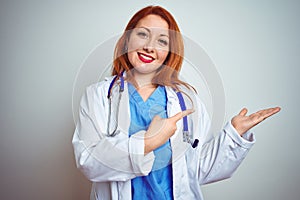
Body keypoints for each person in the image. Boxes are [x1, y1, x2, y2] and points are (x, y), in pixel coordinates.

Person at [72, 5, 280, 200]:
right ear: (127, 40)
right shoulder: (98, 96)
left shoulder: (187, 100)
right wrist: (148, 142)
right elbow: (89, 162)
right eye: (143, 34)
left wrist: (233, 135)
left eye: (162, 41)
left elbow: (198, 169)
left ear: (170, 52)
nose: (149, 47)